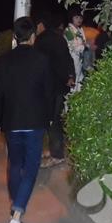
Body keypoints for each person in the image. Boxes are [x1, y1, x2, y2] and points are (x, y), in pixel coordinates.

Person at [0, 17, 54, 223]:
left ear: (15, 36)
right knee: (31, 167)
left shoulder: (3, 61)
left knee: (15, 164)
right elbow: (49, 93)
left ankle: (16, 206)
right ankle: (16, 217)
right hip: (35, 122)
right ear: (33, 36)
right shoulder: (42, 60)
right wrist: (49, 118)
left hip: (12, 122)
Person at [34, 12, 75, 168]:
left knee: (52, 121)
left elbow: (41, 64)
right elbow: (67, 59)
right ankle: (54, 151)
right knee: (55, 119)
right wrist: (69, 76)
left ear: (40, 25)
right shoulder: (58, 37)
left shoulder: (42, 40)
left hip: (49, 87)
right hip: (60, 85)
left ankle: (57, 155)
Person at [64, 8, 87, 91]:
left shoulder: (80, 30)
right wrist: (84, 46)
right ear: (71, 18)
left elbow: (83, 44)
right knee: (73, 85)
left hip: (80, 60)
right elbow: (74, 47)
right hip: (72, 60)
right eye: (76, 17)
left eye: (80, 17)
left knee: (80, 84)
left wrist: (84, 46)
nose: (79, 20)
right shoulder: (68, 30)